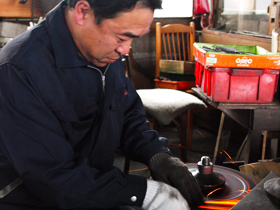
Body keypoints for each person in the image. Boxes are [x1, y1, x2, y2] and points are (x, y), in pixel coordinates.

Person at [0, 0, 204, 209]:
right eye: (122, 37)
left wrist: (156, 154)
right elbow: (52, 177)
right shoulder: (18, 70)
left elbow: (126, 112)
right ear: (82, 12)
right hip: (33, 201)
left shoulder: (103, 53)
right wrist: (145, 193)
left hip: (91, 192)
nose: (125, 50)